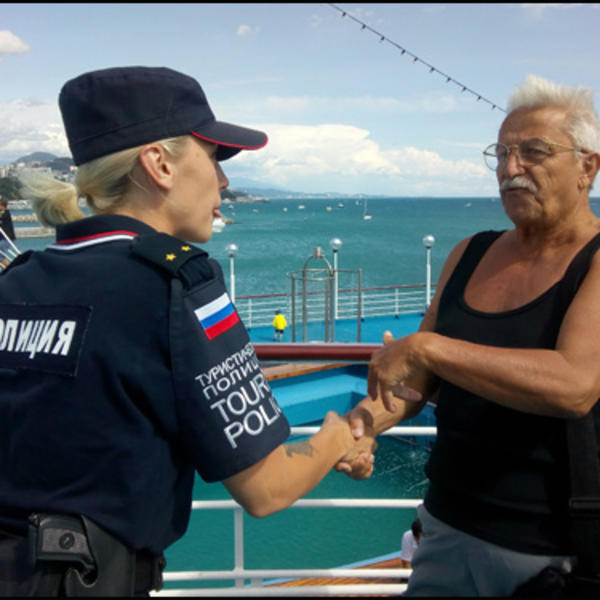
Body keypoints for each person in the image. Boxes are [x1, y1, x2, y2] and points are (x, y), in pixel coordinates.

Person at [0, 66, 375, 597]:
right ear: (160, 164)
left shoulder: (19, 279)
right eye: (215, 157)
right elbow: (266, 487)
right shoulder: (179, 285)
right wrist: (336, 436)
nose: (223, 180)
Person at [341, 74, 600, 597]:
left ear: (587, 167)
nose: (510, 169)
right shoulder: (470, 253)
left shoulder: (594, 260)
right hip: (444, 527)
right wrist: (358, 429)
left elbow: (574, 385)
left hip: (552, 550)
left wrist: (427, 347)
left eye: (533, 152)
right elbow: (414, 386)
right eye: (501, 154)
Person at [0, 196, 15, 268]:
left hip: (7, 239)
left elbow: (1, 216)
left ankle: (9, 269)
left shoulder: (5, 213)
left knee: (0, 253)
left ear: (2, 206)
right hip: (2, 239)